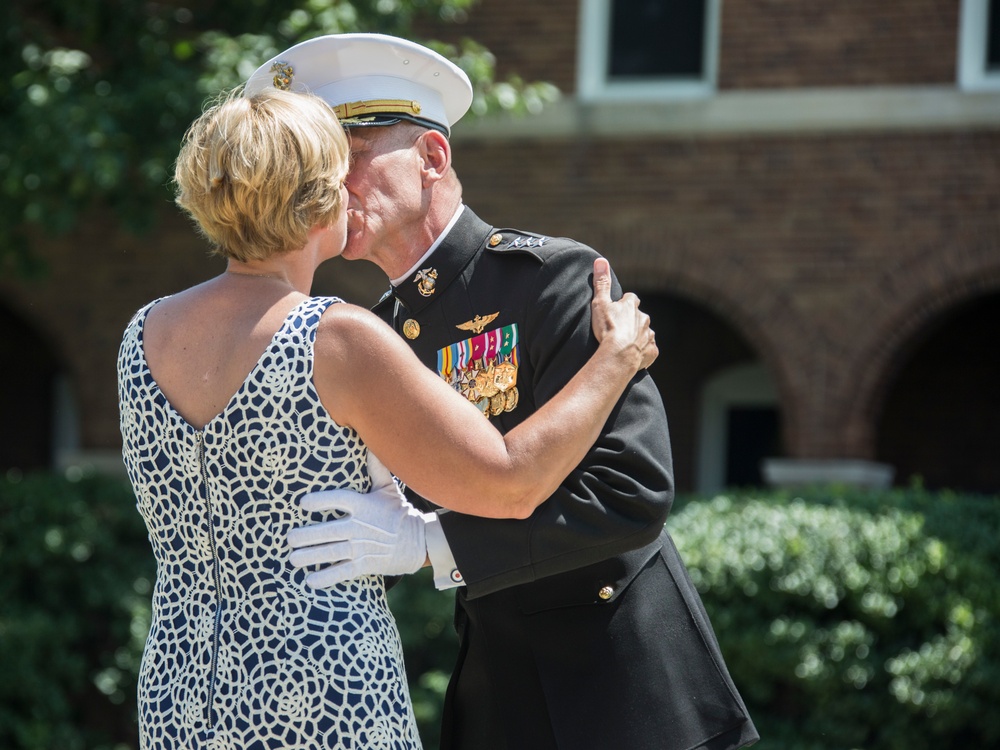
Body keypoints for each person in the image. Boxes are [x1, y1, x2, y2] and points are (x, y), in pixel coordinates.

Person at [249, 34, 759, 750]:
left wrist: (430, 543)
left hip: (626, 691)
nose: (334, 186)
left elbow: (629, 493)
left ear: (432, 158)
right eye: (321, 168)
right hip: (499, 691)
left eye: (353, 156)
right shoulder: (369, 335)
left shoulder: (550, 278)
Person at [117, 86, 659, 750]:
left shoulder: (142, 333)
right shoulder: (339, 338)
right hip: (317, 689)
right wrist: (617, 359)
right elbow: (512, 481)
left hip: (178, 684)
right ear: (319, 195)